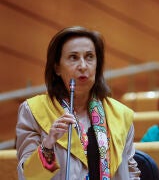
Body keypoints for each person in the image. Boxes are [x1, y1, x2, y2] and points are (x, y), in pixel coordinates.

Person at [16, 26, 140, 179]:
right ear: (57, 68)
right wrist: (48, 145)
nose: (83, 66)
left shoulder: (120, 114)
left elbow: (131, 173)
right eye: (73, 57)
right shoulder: (33, 111)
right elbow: (27, 176)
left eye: (89, 57)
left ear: (97, 64)